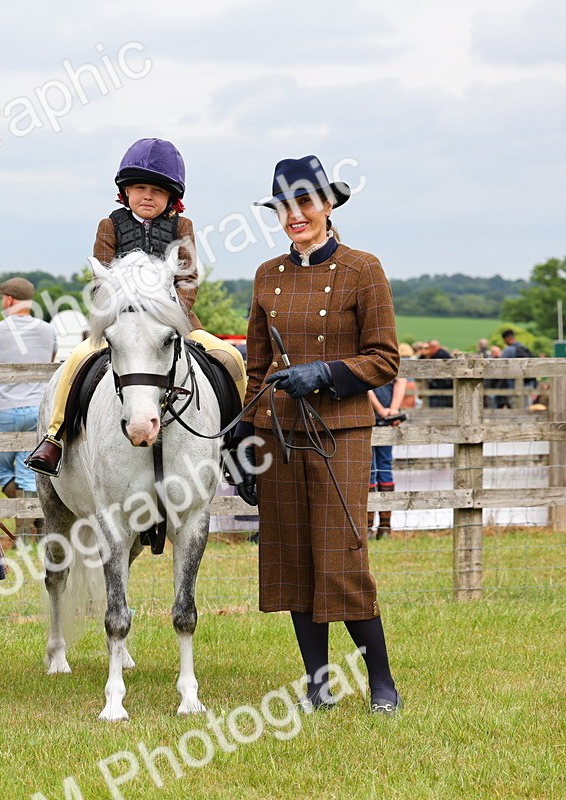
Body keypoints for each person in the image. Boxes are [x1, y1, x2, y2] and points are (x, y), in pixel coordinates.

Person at [235, 155, 402, 715]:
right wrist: (242, 437)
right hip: (278, 434)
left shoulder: (363, 269)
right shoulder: (266, 276)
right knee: (293, 558)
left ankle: (381, 681)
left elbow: (384, 360)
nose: (294, 216)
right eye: (284, 206)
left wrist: (325, 375)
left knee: (342, 555)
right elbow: (256, 370)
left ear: (328, 205)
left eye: (304, 203)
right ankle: (317, 681)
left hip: (341, 433)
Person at [25, 138, 246, 479]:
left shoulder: (182, 228)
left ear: (171, 197)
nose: (147, 196)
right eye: (139, 188)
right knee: (74, 363)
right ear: (125, 192)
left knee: (231, 358)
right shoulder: (109, 225)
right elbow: (102, 279)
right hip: (120, 323)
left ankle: (233, 442)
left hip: (175, 323)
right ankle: (55, 437)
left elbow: (187, 279)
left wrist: (169, 315)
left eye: (156, 191)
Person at [0, 277, 56, 535]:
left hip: (6, 409)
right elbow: (50, 360)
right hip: (39, 409)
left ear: (8, 300)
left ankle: (26, 530)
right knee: (30, 469)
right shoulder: (47, 330)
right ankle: (34, 521)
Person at [368, 375, 407, 538]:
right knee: (368, 469)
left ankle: (384, 526)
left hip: (387, 419)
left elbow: (401, 379)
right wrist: (381, 410)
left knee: (383, 467)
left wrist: (393, 410)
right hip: (369, 416)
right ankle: (368, 525)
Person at [500, 328, 538, 409]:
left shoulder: (508, 350)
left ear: (506, 339)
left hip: (514, 385)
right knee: (527, 407)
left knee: (516, 408)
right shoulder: (524, 348)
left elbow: (500, 368)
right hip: (528, 383)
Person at [421, 339, 453, 408]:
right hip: (437, 385)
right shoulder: (435, 354)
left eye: (427, 348)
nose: (427, 350)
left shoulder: (441, 355)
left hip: (443, 385)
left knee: (440, 405)